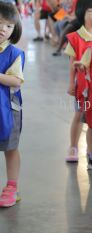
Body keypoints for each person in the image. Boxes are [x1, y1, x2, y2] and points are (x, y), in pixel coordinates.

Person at [63, 0, 92, 170]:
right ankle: (73, 146)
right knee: (79, 115)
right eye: (90, 10)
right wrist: (71, 84)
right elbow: (72, 63)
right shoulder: (75, 37)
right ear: (82, 13)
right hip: (82, 88)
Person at [0, 1, 25, 208]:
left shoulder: (15, 53)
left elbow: (16, 81)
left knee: (11, 147)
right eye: (0, 23)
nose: (3, 29)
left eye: (8, 26)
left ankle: (11, 187)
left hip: (9, 108)